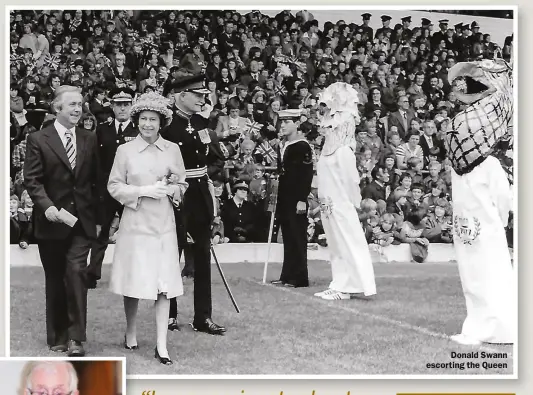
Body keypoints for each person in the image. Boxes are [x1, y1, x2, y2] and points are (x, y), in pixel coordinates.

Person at [107, 91, 188, 365]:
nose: (148, 124)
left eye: (153, 119)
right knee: (134, 280)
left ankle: (161, 345)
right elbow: (114, 185)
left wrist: (171, 189)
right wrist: (143, 190)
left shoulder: (172, 149)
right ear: (136, 120)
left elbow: (182, 183)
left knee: (163, 285)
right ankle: (131, 331)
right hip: (136, 223)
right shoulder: (125, 150)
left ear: (161, 121)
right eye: (143, 119)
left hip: (164, 225)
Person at [24, 85, 103, 356]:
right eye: (72, 104)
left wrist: (101, 218)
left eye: (80, 104)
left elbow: (96, 179)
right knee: (55, 278)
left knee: (76, 273)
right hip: (51, 221)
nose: (78, 109)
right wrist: (46, 207)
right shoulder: (38, 139)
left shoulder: (89, 138)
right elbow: (32, 180)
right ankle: (57, 336)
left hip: (81, 221)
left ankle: (76, 338)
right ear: (57, 108)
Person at [447, 59, 515, 345]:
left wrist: (495, 223)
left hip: (483, 225)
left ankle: (492, 328)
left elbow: (503, 200)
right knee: (473, 275)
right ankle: (482, 326)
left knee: (487, 275)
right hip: (470, 223)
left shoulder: (493, 159)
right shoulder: (469, 158)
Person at [161, 73, 226, 335]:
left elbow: (218, 160)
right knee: (170, 256)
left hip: (200, 195)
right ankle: (168, 314)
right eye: (197, 95)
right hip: (176, 196)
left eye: (203, 95)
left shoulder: (202, 124)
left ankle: (203, 317)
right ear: (181, 96)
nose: (202, 99)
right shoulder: (166, 125)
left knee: (201, 257)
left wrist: (205, 174)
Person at [314, 82, 376, 300]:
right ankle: (339, 283)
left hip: (341, 205)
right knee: (336, 245)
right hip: (329, 206)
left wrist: (355, 202)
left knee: (348, 242)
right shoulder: (327, 153)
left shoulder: (343, 152)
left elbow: (352, 180)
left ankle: (350, 285)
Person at [87, 87, 138, 289]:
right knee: (101, 233)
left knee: (132, 232)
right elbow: (96, 161)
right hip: (106, 191)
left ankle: (132, 274)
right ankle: (92, 273)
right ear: (112, 107)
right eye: (119, 105)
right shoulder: (102, 130)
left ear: (131, 106)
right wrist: (98, 189)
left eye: (126, 104)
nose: (122, 109)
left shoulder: (138, 130)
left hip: (130, 190)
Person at [271, 109, 314, 288]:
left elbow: (306, 174)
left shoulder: (302, 146)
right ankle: (287, 275)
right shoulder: (283, 144)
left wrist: (302, 198)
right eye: (282, 122)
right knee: (288, 236)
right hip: (284, 196)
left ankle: (300, 277)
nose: (283, 125)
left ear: (296, 123)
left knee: (297, 236)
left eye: (287, 122)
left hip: (296, 197)